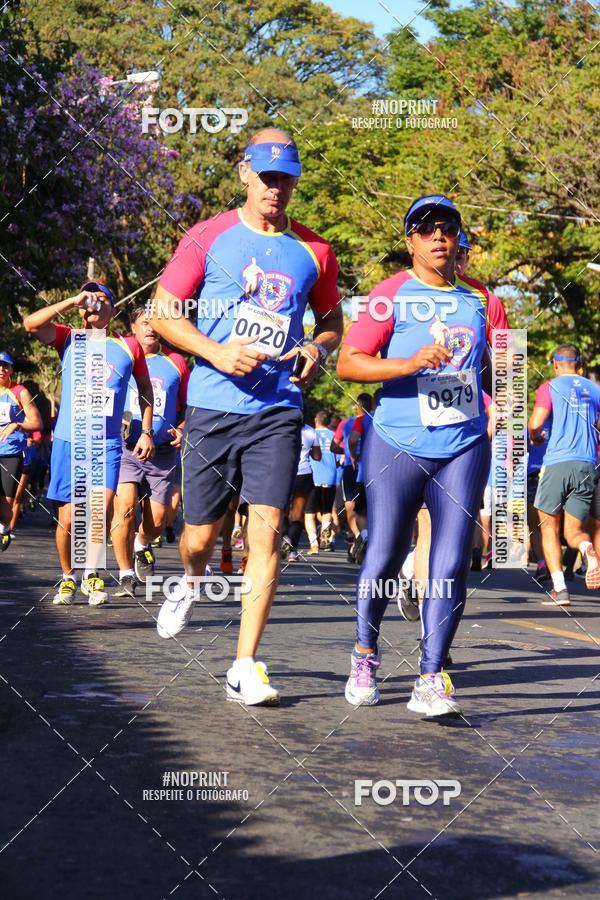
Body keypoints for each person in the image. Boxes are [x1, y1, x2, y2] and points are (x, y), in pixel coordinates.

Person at [149, 127, 343, 706]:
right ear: (244, 173)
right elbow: (163, 314)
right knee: (199, 537)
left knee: (268, 533)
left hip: (278, 409)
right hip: (212, 404)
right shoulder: (208, 236)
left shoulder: (315, 250)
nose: (277, 189)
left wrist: (316, 348)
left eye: (286, 179)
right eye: (267, 177)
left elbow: (333, 322)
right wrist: (216, 351)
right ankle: (189, 581)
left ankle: (245, 664)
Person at [337, 194, 495, 717]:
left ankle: (431, 676)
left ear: (458, 238)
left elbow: (495, 370)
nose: (437, 236)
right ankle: (364, 655)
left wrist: (499, 406)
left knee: (452, 561)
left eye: (447, 226)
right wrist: (407, 363)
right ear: (410, 242)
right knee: (384, 552)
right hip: (398, 442)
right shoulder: (388, 296)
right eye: (425, 229)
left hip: (463, 443)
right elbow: (349, 364)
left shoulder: (482, 301)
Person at [24, 280, 155, 606]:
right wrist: (71, 300)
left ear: (112, 309)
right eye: (88, 300)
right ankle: (68, 576)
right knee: (68, 519)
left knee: (99, 509)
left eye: (100, 299)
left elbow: (145, 391)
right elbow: (30, 324)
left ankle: (92, 574)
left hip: (107, 443)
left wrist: (147, 431)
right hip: (70, 441)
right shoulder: (69, 337)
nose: (93, 304)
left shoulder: (128, 346)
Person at [111, 305, 189, 598]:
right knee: (125, 507)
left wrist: (182, 429)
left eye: (156, 322)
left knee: (158, 520)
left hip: (163, 453)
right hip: (125, 448)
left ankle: (142, 544)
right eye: (144, 322)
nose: (151, 327)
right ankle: (125, 573)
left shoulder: (177, 362)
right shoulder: (120, 357)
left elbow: (187, 407)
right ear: (133, 327)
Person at [528, 344, 600, 605]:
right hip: (587, 464)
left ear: (555, 364)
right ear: (579, 365)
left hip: (558, 461)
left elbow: (535, 423)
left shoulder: (550, 387)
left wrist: (536, 438)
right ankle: (585, 549)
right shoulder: (595, 389)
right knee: (574, 532)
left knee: (548, 525)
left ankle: (560, 589)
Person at [0, 352, 42, 549]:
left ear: (11, 370)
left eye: (5, 366)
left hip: (10, 454)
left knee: (6, 509)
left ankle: (5, 526)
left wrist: (17, 425)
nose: (1, 370)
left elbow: (36, 423)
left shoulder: (19, 392)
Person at [330, 394, 372, 561]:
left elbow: (334, 446)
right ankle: (365, 537)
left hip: (351, 466)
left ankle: (359, 536)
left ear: (357, 406)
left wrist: (348, 454)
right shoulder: (377, 419)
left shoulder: (346, 423)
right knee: (368, 506)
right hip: (372, 467)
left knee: (350, 505)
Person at [284, 421, 321, 559]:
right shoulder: (311, 431)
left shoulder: (284, 426)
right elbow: (317, 456)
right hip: (304, 473)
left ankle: (283, 538)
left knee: (281, 510)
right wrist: (308, 450)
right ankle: (292, 551)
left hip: (284, 472)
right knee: (297, 514)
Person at [305, 411, 337, 553]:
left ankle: (314, 544)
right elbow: (338, 455)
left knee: (309, 513)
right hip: (330, 476)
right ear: (328, 422)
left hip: (313, 477)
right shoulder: (333, 435)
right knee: (327, 510)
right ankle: (325, 534)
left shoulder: (310, 433)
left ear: (315, 420)